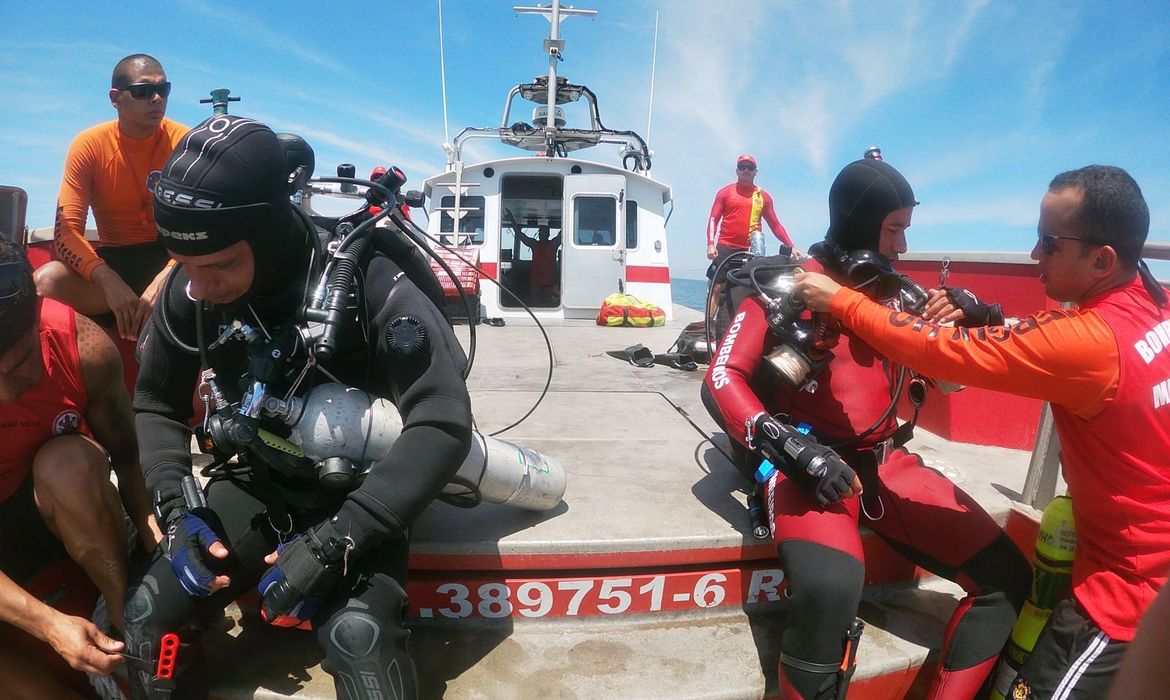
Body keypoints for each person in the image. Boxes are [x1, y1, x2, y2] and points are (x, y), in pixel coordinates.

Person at [123, 115, 473, 699]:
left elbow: (441, 419)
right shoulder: (194, 287)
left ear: (269, 235)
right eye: (183, 265)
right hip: (260, 478)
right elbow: (155, 400)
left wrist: (342, 537)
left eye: (220, 266)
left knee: (358, 637)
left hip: (363, 488)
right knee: (145, 613)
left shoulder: (370, 280)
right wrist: (176, 505)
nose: (198, 288)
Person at [794, 164, 1170, 699]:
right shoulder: (1153, 303)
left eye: (1048, 241)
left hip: (1123, 600)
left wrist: (839, 300)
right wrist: (984, 310)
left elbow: (939, 352)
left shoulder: (1093, 342)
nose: (1035, 253)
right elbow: (1044, 338)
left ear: (1101, 259)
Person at [705, 158, 1030, 700]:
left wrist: (969, 327)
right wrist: (791, 449)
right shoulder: (785, 286)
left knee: (1008, 579)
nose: (902, 247)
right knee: (830, 593)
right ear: (861, 224)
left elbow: (952, 388)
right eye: (895, 229)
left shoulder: (897, 296)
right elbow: (723, 375)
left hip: (886, 463)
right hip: (808, 469)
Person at [0, 238, 160, 697]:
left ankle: (122, 622)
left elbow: (129, 461)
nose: (7, 393)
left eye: (21, 363)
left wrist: (158, 542)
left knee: (71, 461)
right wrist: (47, 624)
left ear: (38, 317)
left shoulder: (83, 346)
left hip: (39, 511)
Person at [34, 54, 188, 341]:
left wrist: (164, 279)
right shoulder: (90, 145)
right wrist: (108, 280)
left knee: (220, 282)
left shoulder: (186, 142)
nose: (156, 99)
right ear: (115, 98)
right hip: (115, 263)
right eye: (143, 91)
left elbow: (199, 228)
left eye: (163, 90)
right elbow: (67, 232)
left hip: (173, 259)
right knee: (47, 281)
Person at [705, 154, 797, 318]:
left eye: (750, 167)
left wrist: (791, 245)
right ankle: (707, 323)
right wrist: (710, 243)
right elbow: (713, 219)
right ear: (737, 171)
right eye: (742, 167)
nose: (746, 170)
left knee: (745, 286)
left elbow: (775, 224)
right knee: (717, 286)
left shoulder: (763, 197)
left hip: (750, 250)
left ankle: (735, 323)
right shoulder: (725, 193)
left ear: (756, 172)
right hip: (725, 246)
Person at [506, 212, 562, 305]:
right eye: (541, 233)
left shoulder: (553, 244)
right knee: (535, 304)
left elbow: (563, 232)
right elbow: (520, 235)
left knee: (548, 303)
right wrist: (511, 219)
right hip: (536, 281)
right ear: (539, 234)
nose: (542, 234)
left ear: (548, 234)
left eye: (545, 233)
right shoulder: (534, 244)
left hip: (549, 281)